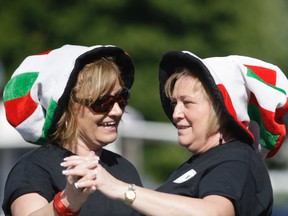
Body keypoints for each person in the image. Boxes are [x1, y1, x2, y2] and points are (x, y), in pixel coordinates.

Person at [61, 50, 288, 216]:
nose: (176, 113)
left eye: (187, 102)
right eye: (174, 103)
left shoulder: (237, 157)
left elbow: (214, 213)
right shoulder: (203, 162)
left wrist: (119, 189)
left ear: (221, 110)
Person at [2, 44, 142, 216]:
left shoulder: (125, 169)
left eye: (121, 98)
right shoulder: (34, 167)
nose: (117, 111)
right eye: (102, 102)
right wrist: (68, 201)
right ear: (69, 107)